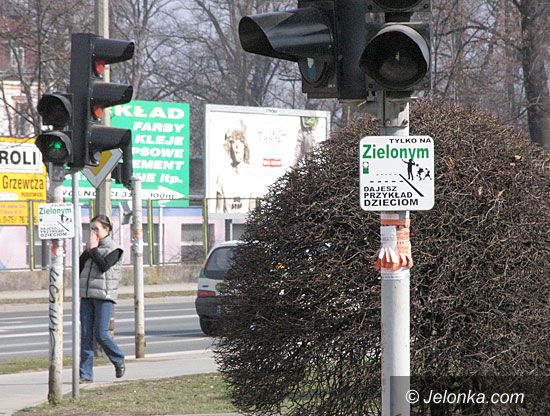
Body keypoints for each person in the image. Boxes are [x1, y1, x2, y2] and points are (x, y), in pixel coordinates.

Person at [79, 214, 125, 383]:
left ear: (107, 230)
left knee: (101, 334)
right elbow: (80, 267)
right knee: (86, 336)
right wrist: (88, 251)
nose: (93, 233)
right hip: (87, 295)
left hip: (104, 296)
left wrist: (93, 250)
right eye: (91, 229)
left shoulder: (115, 249)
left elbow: (104, 266)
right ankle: (85, 375)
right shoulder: (92, 247)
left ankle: (118, 358)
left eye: (97, 229)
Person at [216, 120, 259, 213]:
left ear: (245, 146)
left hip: (245, 221)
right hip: (227, 221)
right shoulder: (222, 176)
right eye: (233, 141)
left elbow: (253, 208)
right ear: (229, 146)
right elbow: (218, 210)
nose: (236, 146)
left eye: (240, 141)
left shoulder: (251, 175)